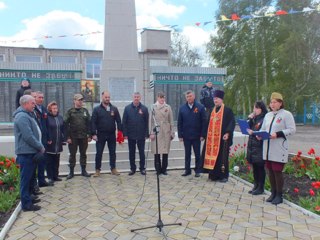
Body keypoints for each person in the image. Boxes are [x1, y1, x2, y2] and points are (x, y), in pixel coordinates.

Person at [260, 92, 296, 205]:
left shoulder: (286, 114)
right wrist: (259, 134)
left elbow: (292, 129)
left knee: (277, 170)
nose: (272, 104)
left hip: (279, 147)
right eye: (271, 102)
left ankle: (279, 195)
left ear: (280, 103)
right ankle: (273, 193)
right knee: (270, 171)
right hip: (267, 147)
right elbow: (263, 128)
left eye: (275, 102)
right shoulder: (268, 115)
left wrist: (278, 133)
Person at [13, 95, 44, 211]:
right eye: (32, 103)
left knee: (30, 177)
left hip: (30, 152)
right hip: (26, 153)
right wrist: (40, 146)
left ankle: (30, 197)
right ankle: (26, 204)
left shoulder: (27, 115)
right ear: (25, 104)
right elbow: (28, 136)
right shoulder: (21, 117)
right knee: (25, 179)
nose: (34, 105)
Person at [203, 90, 235, 183]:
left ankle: (223, 176)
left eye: (217, 98)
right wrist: (204, 134)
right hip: (211, 140)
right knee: (213, 157)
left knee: (222, 157)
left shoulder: (227, 110)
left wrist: (228, 133)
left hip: (222, 139)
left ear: (221, 99)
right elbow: (207, 123)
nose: (215, 100)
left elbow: (231, 122)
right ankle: (213, 174)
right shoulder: (211, 110)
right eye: (214, 98)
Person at [91, 91, 122, 177]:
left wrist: (120, 133)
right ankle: (97, 170)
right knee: (99, 153)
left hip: (111, 134)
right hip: (100, 135)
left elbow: (119, 121)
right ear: (102, 97)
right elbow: (93, 122)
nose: (107, 99)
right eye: (106, 97)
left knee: (112, 153)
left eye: (108, 97)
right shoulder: (96, 109)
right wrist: (93, 134)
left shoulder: (114, 109)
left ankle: (113, 169)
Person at [178, 90, 206, 177]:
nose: (189, 98)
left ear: (194, 96)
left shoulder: (200, 107)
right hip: (186, 136)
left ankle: (198, 170)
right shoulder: (182, 108)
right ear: (186, 98)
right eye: (187, 97)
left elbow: (204, 122)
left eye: (190, 96)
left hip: (197, 136)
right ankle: (187, 170)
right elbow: (179, 123)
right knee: (187, 154)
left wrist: (203, 134)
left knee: (197, 154)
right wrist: (180, 135)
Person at [64, 93, 92, 179]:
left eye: (81, 100)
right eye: (79, 100)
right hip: (73, 137)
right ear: (74, 101)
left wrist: (89, 135)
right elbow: (65, 125)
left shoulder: (85, 111)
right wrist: (67, 137)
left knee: (83, 154)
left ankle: (83, 171)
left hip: (83, 137)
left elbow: (89, 124)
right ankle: (71, 172)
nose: (80, 102)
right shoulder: (70, 111)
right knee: (72, 154)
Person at [122, 92, 149, 176]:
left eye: (138, 97)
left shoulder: (144, 108)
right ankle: (132, 169)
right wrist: (125, 134)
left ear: (140, 98)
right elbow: (124, 122)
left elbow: (147, 122)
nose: (136, 98)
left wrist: (146, 134)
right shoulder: (127, 108)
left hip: (141, 135)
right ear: (132, 98)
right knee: (132, 152)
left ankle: (142, 168)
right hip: (131, 134)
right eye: (135, 97)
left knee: (141, 152)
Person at [149, 92, 175, 175]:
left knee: (165, 151)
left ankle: (164, 169)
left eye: (163, 98)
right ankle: (158, 169)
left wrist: (172, 132)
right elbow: (151, 121)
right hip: (157, 130)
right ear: (157, 98)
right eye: (160, 98)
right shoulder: (153, 107)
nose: (162, 99)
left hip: (166, 131)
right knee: (157, 151)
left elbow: (171, 120)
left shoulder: (168, 107)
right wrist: (151, 132)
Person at [246, 101, 268, 195]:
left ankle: (261, 187)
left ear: (261, 109)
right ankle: (255, 185)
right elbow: (249, 127)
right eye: (254, 108)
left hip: (259, 146)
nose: (254, 110)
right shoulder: (255, 118)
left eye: (256, 108)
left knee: (260, 168)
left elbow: (261, 131)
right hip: (252, 145)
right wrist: (250, 119)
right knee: (255, 167)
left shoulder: (264, 118)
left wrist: (253, 133)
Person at [34, 91, 52, 187]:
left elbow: (47, 125)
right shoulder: (33, 109)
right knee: (36, 161)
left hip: (44, 139)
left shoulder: (44, 109)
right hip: (36, 139)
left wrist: (48, 137)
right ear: (35, 98)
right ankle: (35, 182)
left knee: (43, 160)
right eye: (39, 97)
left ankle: (42, 180)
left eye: (42, 97)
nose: (41, 99)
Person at [46, 101, 65, 183]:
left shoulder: (60, 117)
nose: (55, 110)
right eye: (53, 108)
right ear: (50, 109)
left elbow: (63, 128)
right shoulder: (46, 118)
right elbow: (45, 130)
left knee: (57, 161)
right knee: (49, 162)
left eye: (56, 108)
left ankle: (55, 176)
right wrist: (47, 139)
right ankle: (50, 177)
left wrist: (64, 138)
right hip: (50, 143)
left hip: (58, 143)